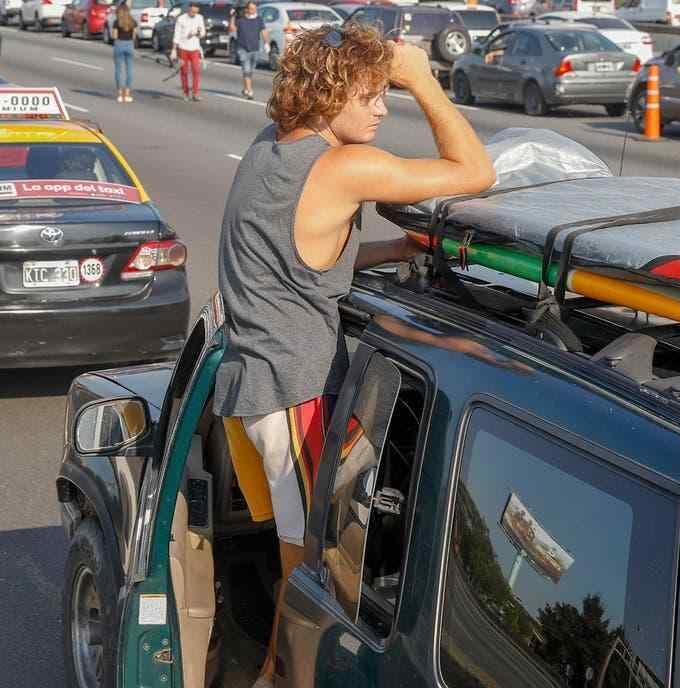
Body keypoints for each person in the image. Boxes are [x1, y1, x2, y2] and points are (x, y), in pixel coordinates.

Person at [213, 24, 495, 688]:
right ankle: (284, 681)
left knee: (296, 559)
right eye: (370, 94)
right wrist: (423, 77)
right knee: (318, 572)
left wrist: (390, 252)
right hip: (296, 391)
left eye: (386, 93)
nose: (380, 108)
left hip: (252, 390)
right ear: (330, 91)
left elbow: (296, 260)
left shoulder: (269, 149)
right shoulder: (342, 167)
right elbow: (475, 173)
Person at [231, 0, 268, 100]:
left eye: (255, 9)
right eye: (252, 9)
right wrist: (232, 16)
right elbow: (232, 29)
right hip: (242, 48)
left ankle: (245, 88)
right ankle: (250, 91)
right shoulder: (240, 19)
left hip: (255, 48)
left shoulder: (259, 19)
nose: (254, 10)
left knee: (250, 71)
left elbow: (264, 31)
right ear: (246, 9)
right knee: (246, 69)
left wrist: (266, 43)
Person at [172, 1, 205, 102]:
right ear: (189, 9)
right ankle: (185, 92)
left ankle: (195, 93)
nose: (194, 12)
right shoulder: (181, 19)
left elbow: (203, 32)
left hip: (195, 48)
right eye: (192, 10)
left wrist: (198, 34)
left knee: (196, 70)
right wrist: (174, 49)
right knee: (184, 71)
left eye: (196, 10)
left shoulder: (200, 18)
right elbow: (176, 34)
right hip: (183, 48)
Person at [112, 1, 137, 103]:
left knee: (118, 70)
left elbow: (114, 36)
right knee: (129, 70)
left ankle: (119, 93)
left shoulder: (116, 22)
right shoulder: (132, 21)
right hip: (129, 44)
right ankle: (127, 93)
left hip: (119, 44)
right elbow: (135, 35)